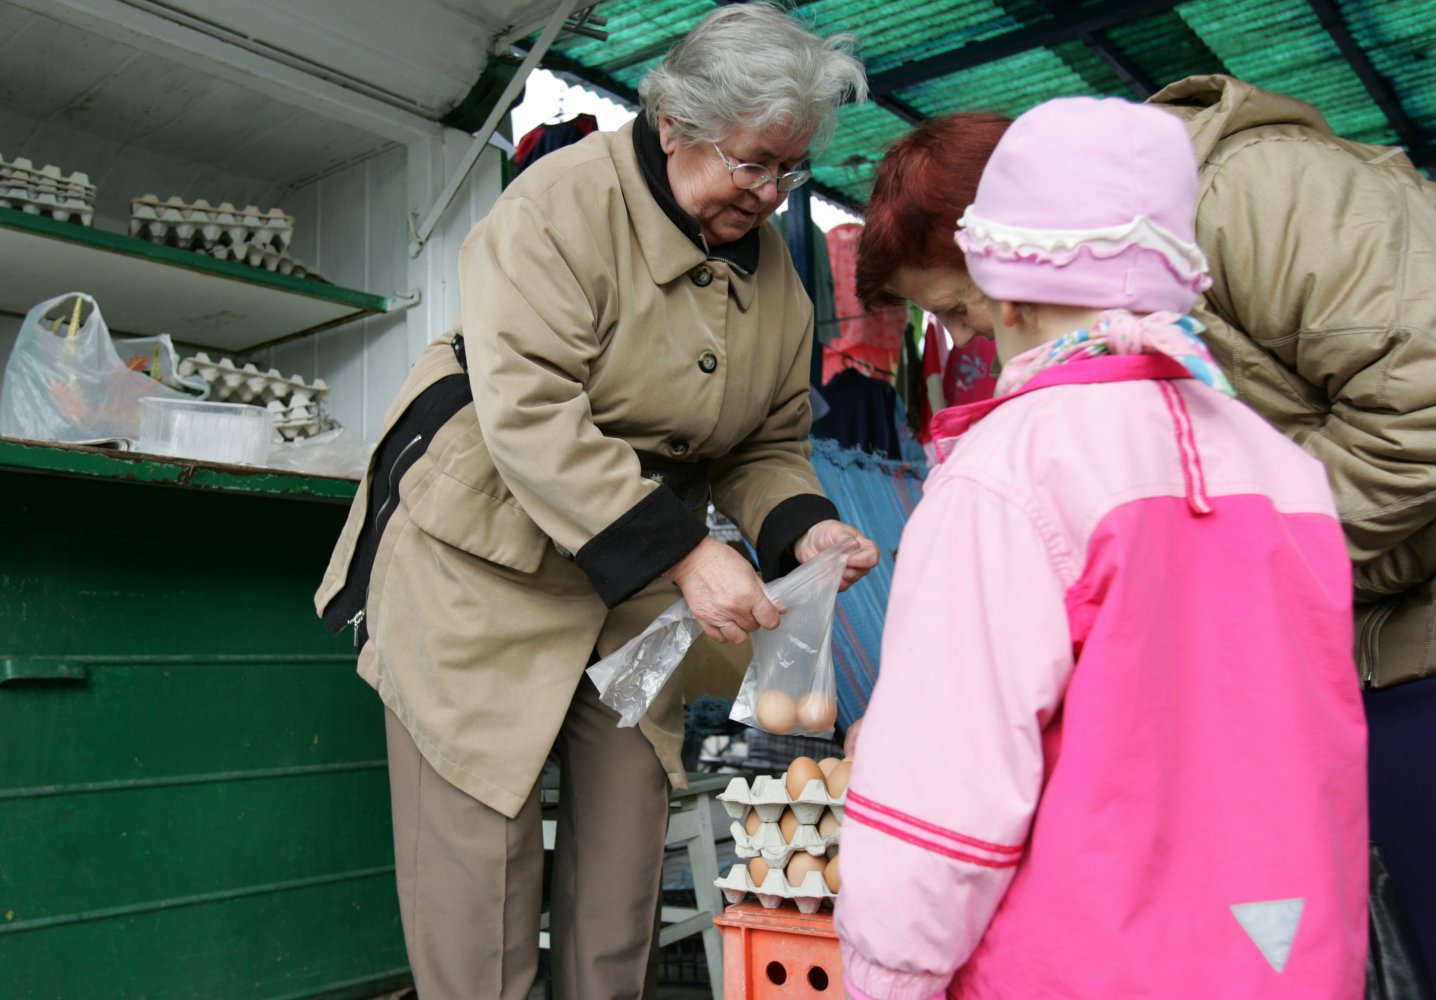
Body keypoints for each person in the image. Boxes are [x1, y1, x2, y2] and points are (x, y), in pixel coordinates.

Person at [314, 5, 877, 998]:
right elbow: (529, 408)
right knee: (478, 883)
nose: (771, 191)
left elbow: (765, 442)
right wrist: (687, 552)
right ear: (674, 124)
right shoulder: (561, 204)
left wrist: (801, 524)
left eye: (788, 169)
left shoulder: (778, 276)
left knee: (621, 865)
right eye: (753, 163)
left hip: (630, 583)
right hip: (481, 563)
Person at [854, 73, 1436, 976]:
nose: (968, 339)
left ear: (1005, 276)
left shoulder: (1005, 476)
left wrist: (886, 973)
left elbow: (950, 786)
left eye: (963, 310)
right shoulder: (1280, 470)